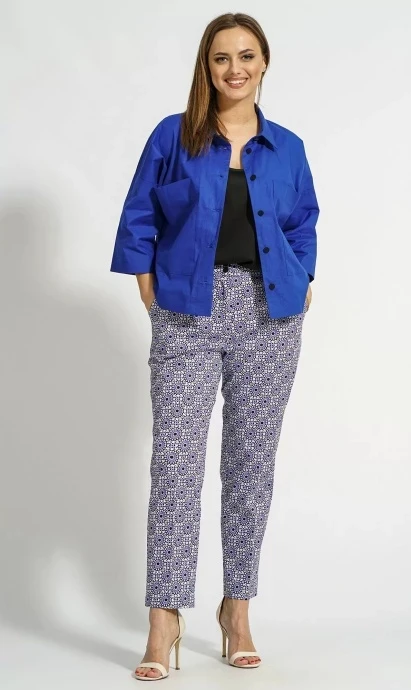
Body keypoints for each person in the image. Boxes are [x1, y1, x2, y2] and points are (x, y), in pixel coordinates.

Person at [110, 11, 320, 681]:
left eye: (247, 55)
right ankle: (164, 619)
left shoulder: (288, 147)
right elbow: (140, 214)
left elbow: (303, 221)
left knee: (251, 467)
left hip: (270, 314)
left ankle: (237, 609)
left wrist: (304, 279)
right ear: (206, 66)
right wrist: (149, 288)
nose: (235, 68)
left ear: (264, 63)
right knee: (176, 466)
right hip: (186, 313)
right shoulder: (173, 136)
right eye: (222, 57)